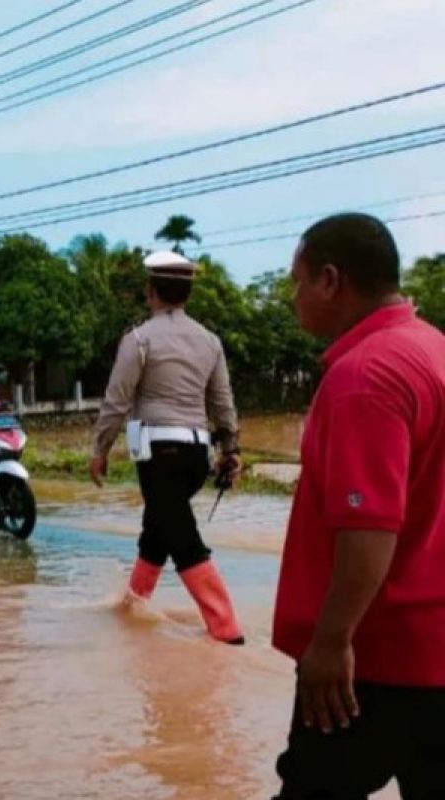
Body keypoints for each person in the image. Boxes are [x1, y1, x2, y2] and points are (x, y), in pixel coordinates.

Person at [270, 214, 445, 798]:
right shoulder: (434, 350)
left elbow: (369, 525)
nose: (293, 298)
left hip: (375, 660)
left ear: (329, 280)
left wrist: (331, 640)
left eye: (296, 282)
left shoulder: (364, 375)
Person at [89, 250, 245, 644]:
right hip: (196, 455)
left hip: (158, 454)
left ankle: (227, 631)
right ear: (187, 294)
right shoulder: (210, 341)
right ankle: (133, 607)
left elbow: (117, 400)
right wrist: (231, 449)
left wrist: (100, 449)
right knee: (157, 530)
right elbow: (223, 402)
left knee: (182, 537)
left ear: (150, 291)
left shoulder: (139, 338)